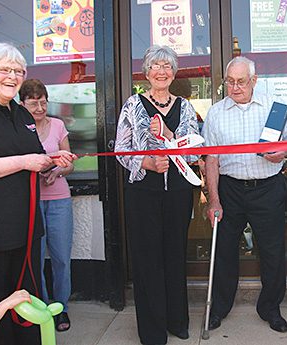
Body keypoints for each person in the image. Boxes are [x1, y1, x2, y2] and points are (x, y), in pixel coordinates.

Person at [0, 42, 75, 345]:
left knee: (27, 305)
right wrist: (24, 162)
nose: (12, 75)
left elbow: (36, 159)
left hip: (27, 229)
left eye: (17, 70)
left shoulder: (21, 114)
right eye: (3, 69)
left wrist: (54, 161)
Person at [201, 56, 287, 333]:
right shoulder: (216, 113)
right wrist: (214, 200)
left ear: (254, 81)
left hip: (268, 188)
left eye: (241, 81)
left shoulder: (274, 108)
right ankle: (219, 307)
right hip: (230, 189)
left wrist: (283, 153)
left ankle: (270, 307)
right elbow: (210, 159)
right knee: (223, 251)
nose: (235, 87)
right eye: (230, 82)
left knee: (271, 252)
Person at [114, 45, 199, 345]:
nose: (162, 71)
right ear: (146, 72)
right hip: (143, 194)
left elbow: (193, 151)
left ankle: (177, 320)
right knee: (148, 258)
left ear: (174, 73)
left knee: (175, 255)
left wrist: (171, 137)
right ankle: (152, 330)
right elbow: (121, 149)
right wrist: (146, 162)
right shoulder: (133, 105)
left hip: (177, 192)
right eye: (156, 66)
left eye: (167, 66)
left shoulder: (185, 107)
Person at [19, 79, 74, 332]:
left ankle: (61, 308)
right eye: (34, 103)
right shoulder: (19, 127)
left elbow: (70, 161)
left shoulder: (58, 125)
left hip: (59, 199)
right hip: (30, 201)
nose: (40, 108)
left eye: (43, 102)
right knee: (36, 258)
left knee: (62, 256)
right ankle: (41, 309)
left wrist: (58, 172)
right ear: (22, 104)